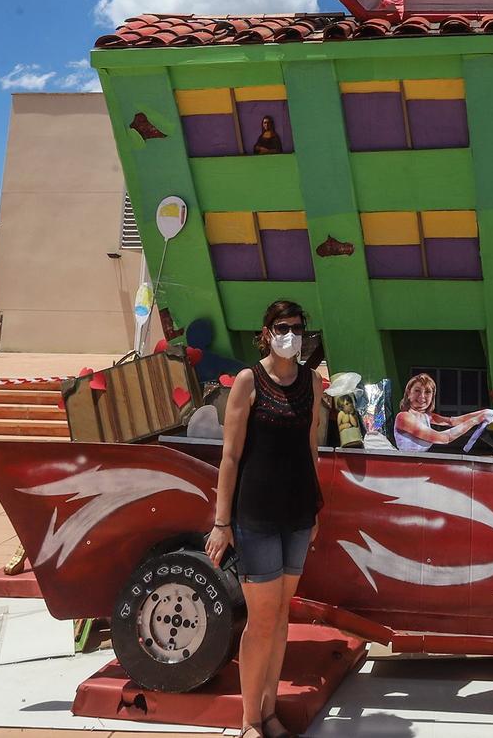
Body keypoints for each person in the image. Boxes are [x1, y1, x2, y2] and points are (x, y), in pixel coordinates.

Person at [206, 301, 323, 738]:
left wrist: (316, 507)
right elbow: (231, 456)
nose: (290, 334)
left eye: (296, 327)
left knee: (280, 618)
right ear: (266, 332)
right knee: (261, 619)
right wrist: (222, 523)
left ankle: (270, 711)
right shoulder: (247, 381)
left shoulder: (310, 381)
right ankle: (248, 719)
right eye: (282, 327)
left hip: (296, 515)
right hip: (255, 516)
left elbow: (310, 446)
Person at [392, 372, 493, 453]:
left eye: (427, 392)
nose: (422, 396)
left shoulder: (426, 416)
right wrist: (476, 420)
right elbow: (443, 438)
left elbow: (453, 421)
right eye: (417, 391)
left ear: (432, 397)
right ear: (408, 394)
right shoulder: (403, 417)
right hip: (406, 468)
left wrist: (485, 412)